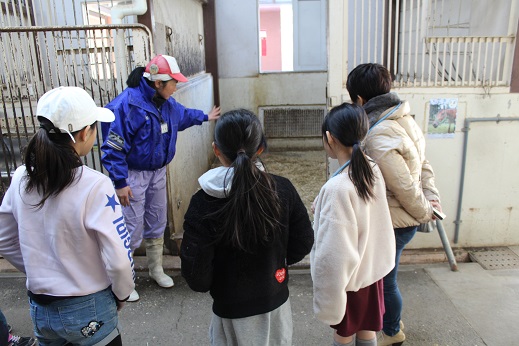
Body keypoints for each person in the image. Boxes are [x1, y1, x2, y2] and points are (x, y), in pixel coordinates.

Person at [0, 86, 135, 346]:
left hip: (41, 309)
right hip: (90, 307)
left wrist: (41, 272)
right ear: (85, 133)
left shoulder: (20, 177)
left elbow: (5, 240)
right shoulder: (96, 185)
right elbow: (118, 258)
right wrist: (122, 293)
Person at [180, 109, 314, 346]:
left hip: (229, 312)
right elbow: (303, 241)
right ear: (260, 148)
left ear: (216, 149)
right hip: (276, 307)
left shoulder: (202, 202)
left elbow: (197, 277)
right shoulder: (282, 189)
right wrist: (275, 263)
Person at [101, 54, 221, 302]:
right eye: (173, 83)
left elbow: (183, 116)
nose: (176, 87)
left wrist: (205, 117)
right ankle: (125, 281)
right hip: (132, 175)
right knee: (130, 227)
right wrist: (120, 183)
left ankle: (156, 269)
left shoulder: (166, 102)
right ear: (158, 83)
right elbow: (113, 148)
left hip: (157, 172)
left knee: (157, 220)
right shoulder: (126, 106)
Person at [346, 63, 442, 346]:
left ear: (360, 100)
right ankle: (391, 322)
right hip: (404, 215)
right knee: (388, 277)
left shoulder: (378, 133)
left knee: (385, 280)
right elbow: (423, 164)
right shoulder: (403, 117)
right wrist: (431, 196)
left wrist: (426, 211)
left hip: (396, 220)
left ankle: (391, 332)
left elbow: (403, 186)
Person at [311, 103, 396, 346]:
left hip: (349, 280)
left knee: (344, 333)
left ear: (329, 138)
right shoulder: (371, 168)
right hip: (371, 271)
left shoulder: (337, 188)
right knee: (367, 330)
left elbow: (333, 253)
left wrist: (328, 295)